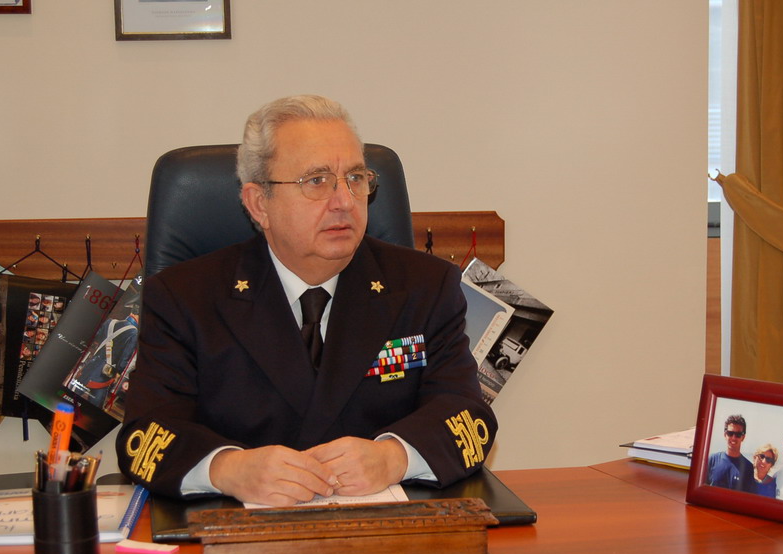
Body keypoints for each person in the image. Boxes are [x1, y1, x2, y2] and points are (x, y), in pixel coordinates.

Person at [116, 94, 497, 506]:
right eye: (316, 181)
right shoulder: (183, 297)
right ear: (259, 203)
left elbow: (469, 418)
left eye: (355, 178)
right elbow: (145, 435)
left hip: (385, 527)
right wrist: (227, 468)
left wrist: (394, 457)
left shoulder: (426, 286)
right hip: (235, 531)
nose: (344, 201)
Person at [706, 414, 754, 492]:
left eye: (738, 434)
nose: (733, 438)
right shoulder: (712, 460)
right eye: (730, 433)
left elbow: (747, 497)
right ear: (725, 435)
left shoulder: (748, 467)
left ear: (743, 437)